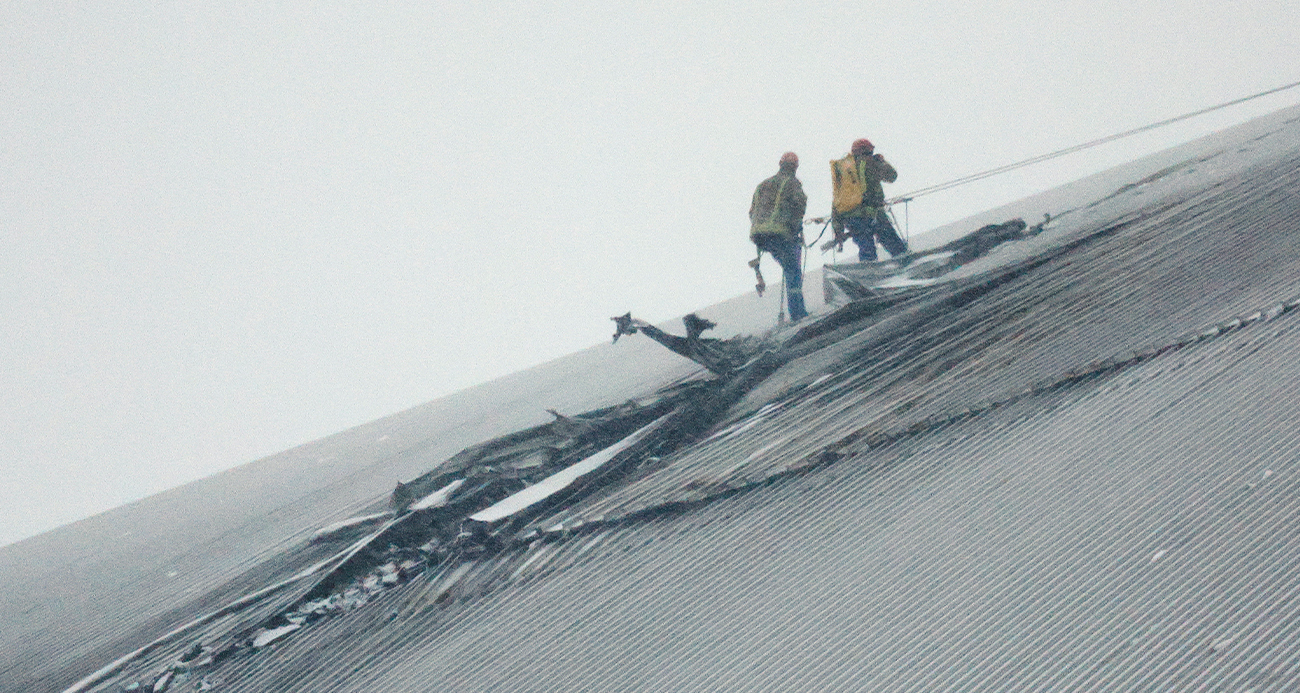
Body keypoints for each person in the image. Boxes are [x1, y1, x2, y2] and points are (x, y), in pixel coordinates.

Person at [750, 151, 809, 322]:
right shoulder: (792, 183)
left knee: (788, 267)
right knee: (793, 271)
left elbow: (752, 211)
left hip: (760, 236)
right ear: (795, 167)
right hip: (780, 234)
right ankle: (798, 315)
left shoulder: (762, 185)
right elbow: (798, 208)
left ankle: (797, 312)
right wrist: (794, 230)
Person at [831, 138, 908, 262]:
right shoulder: (871, 162)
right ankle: (906, 265)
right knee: (895, 246)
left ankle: (869, 274)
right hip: (874, 215)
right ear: (868, 151)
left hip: (852, 218)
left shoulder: (843, 171)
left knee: (866, 251)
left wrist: (837, 228)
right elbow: (892, 176)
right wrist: (881, 161)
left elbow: (836, 200)